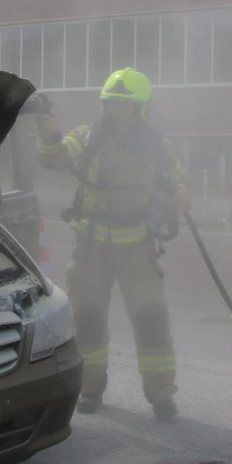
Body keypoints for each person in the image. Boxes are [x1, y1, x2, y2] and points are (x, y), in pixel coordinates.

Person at [34, 68, 191, 421]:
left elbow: (181, 181)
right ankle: (90, 388)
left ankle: (161, 394)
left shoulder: (158, 145)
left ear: (141, 107)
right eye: (113, 103)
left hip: (138, 248)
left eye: (126, 104)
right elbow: (54, 158)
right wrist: (48, 131)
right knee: (88, 320)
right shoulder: (86, 137)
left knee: (151, 320)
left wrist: (181, 194)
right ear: (104, 104)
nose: (119, 111)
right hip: (91, 249)